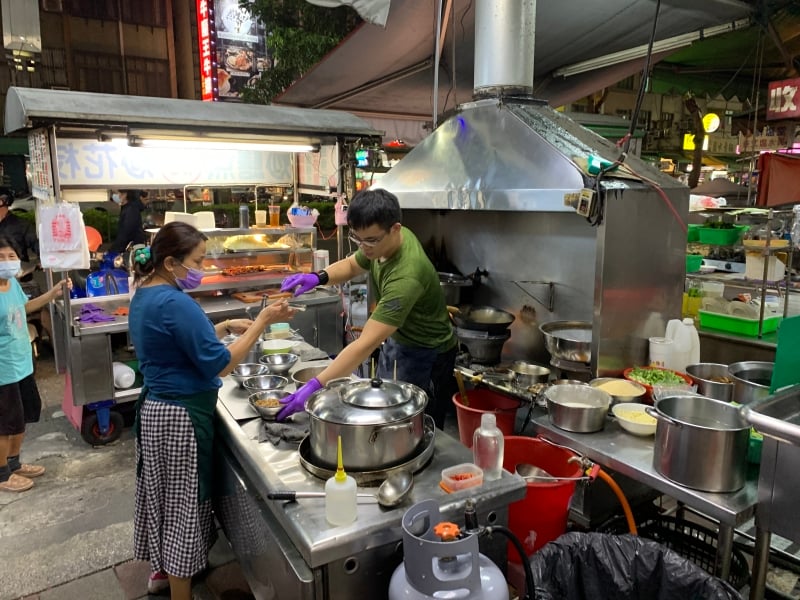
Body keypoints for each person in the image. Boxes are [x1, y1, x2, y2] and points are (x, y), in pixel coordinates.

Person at [128, 221, 296, 600]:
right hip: (178, 417)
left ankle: (164, 573)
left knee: (166, 501)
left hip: (157, 410)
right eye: (198, 261)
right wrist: (261, 323)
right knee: (183, 508)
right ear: (171, 263)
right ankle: (180, 592)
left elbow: (176, 343)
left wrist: (221, 326)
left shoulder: (146, 293)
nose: (202, 268)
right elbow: (219, 365)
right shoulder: (175, 302)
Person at [278, 188, 457, 429]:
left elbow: (365, 344)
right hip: (399, 339)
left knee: (414, 425)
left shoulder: (407, 275)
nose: (364, 247)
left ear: (395, 229)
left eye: (371, 240)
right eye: (357, 239)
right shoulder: (384, 238)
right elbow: (353, 265)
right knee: (385, 411)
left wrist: (315, 385)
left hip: (427, 353)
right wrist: (317, 277)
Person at [0, 236, 70, 493]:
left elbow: (24, 306)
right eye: (1, 257)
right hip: (3, 369)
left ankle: (13, 463)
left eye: (11, 257)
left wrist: (53, 294)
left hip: (21, 362)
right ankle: (2, 475)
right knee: (6, 422)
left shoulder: (12, 285)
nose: (7, 262)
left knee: (25, 415)